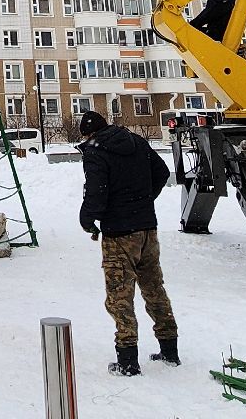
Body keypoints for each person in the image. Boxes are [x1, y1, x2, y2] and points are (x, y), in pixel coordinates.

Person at [78, 110, 177, 377]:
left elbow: (97, 193)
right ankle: (169, 349)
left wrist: (88, 220)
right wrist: (143, 202)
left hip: (119, 233)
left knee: (120, 295)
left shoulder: (96, 151)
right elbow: (162, 172)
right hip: (147, 229)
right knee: (154, 288)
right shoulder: (137, 141)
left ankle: (128, 360)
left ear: (88, 134)